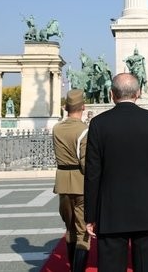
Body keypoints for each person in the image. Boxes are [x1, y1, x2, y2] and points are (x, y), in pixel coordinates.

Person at [84, 73, 148, 272]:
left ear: (111, 94)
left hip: (110, 210)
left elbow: (92, 174)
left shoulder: (99, 123)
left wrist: (90, 214)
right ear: (139, 93)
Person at [52, 89, 89, 272]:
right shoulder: (84, 130)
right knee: (82, 231)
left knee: (70, 228)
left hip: (62, 183)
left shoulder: (57, 128)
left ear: (66, 107)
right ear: (83, 107)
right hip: (80, 183)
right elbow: (85, 162)